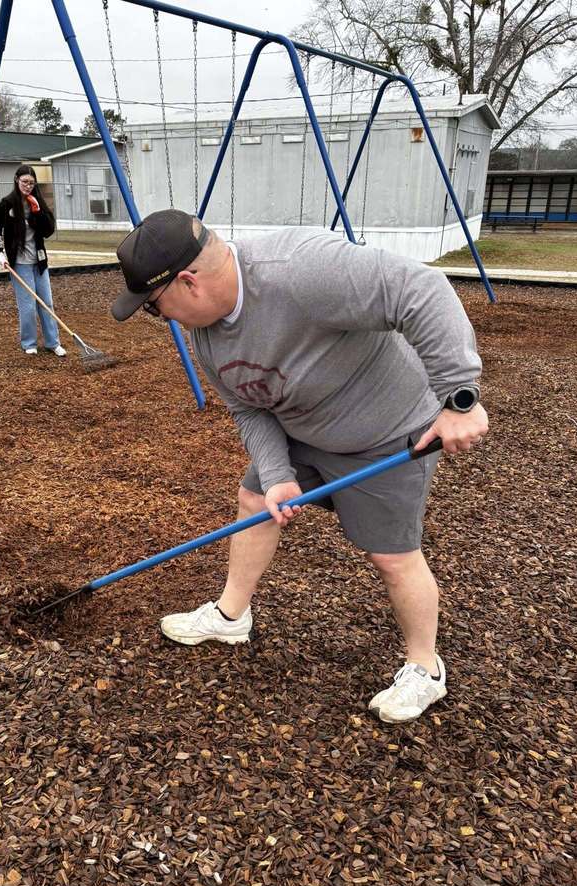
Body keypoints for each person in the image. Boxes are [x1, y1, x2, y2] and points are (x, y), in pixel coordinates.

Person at [110, 209, 488, 724]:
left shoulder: (300, 270)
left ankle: (426, 668)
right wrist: (276, 474)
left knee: (392, 557)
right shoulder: (205, 335)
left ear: (188, 282)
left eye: (156, 308)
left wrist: (459, 396)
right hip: (302, 425)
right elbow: (248, 406)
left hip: (384, 434)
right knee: (254, 501)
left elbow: (420, 290)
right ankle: (230, 615)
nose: (164, 320)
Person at [0, 165, 67, 357]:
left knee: (47, 303)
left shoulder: (37, 201)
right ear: (17, 180)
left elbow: (48, 230)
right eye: (25, 182)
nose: (28, 186)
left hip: (39, 261)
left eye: (31, 183)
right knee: (28, 306)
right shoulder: (7, 204)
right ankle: (29, 343)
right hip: (20, 263)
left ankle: (52, 342)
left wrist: (37, 210)